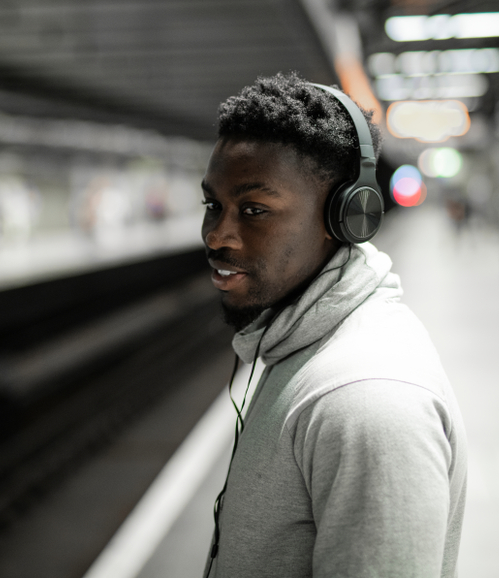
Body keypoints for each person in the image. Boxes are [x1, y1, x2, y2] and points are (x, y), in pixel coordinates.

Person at [200, 73, 467, 578]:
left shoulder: (368, 402)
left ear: (347, 216)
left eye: (254, 210)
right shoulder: (300, 342)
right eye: (213, 205)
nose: (217, 234)